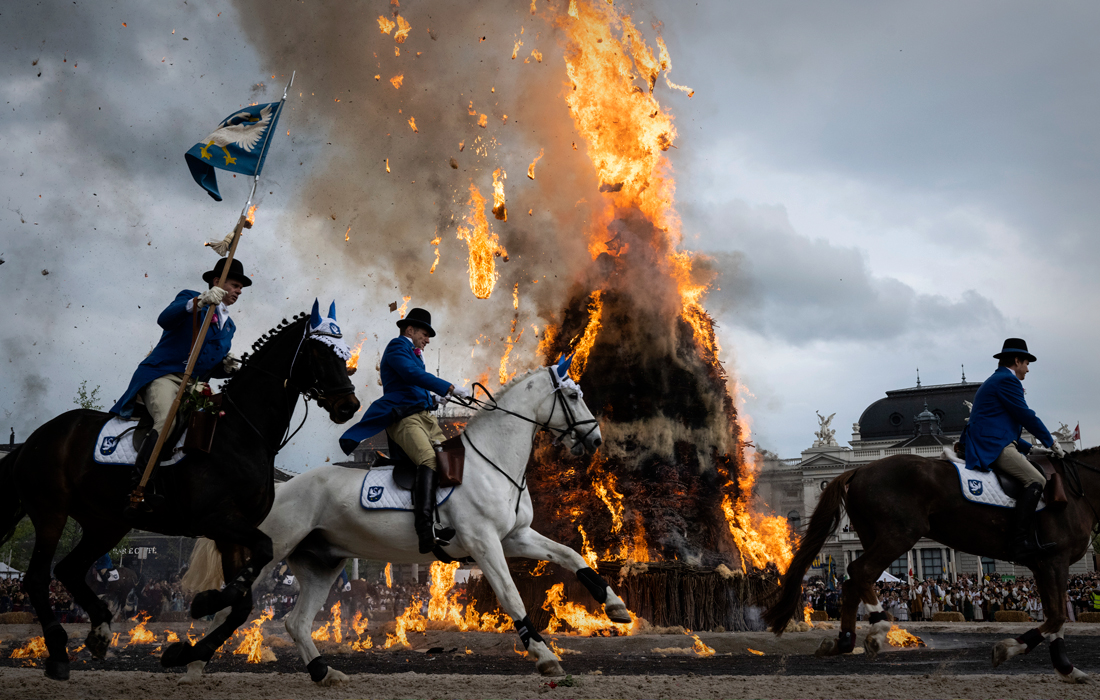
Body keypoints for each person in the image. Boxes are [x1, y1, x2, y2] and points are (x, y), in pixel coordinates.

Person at [110, 258, 250, 510]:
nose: (239, 291)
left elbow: (207, 365)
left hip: (195, 384)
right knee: (167, 420)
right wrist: (198, 302)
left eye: (241, 288)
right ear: (217, 282)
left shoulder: (230, 326)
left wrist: (224, 368)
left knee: (216, 424)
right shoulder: (190, 297)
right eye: (235, 285)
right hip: (164, 374)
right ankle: (140, 485)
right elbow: (165, 319)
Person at [338, 308, 470, 553]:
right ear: (409, 330)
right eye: (425, 333)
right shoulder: (397, 346)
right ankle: (425, 531)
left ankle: (448, 520)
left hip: (424, 417)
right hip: (404, 419)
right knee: (430, 460)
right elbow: (411, 374)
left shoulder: (414, 353)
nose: (428, 339)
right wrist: (448, 388)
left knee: (451, 459)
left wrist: (432, 399)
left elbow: (412, 386)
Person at [961, 338, 1063, 562]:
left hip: (994, 438)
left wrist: (1033, 448)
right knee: (1036, 479)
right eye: (1026, 363)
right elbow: (1025, 415)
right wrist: (1050, 441)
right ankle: (1019, 543)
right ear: (1017, 361)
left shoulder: (998, 380)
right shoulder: (1008, 381)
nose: (1027, 369)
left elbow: (1008, 430)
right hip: (991, 444)